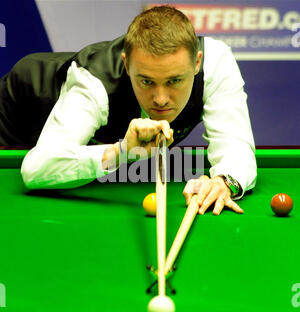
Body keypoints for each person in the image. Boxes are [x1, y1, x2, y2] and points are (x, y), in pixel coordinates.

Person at [0, 5, 256, 215]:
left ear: (197, 62)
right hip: (18, 116)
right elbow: (36, 169)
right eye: (146, 81)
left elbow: (234, 143)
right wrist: (122, 151)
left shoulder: (216, 63)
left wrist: (224, 182)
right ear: (126, 64)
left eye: (174, 81)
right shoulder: (93, 84)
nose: (161, 99)